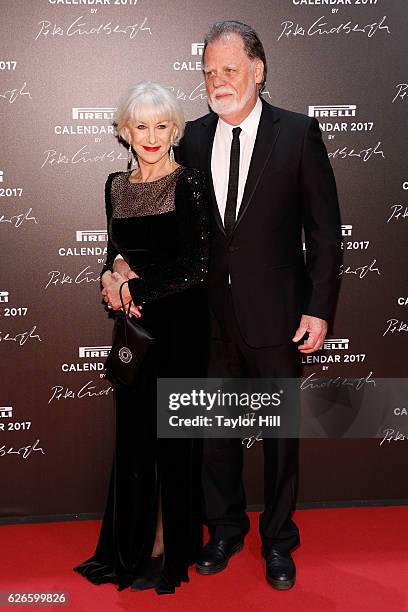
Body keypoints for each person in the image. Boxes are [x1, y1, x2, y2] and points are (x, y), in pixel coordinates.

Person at [112, 21, 342, 590]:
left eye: (230, 69)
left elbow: (326, 232)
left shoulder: (298, 134)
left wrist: (318, 308)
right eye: (209, 71)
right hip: (204, 314)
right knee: (215, 434)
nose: (218, 80)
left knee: (280, 437)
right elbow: (154, 229)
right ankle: (225, 530)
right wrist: (117, 269)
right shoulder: (186, 138)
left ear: (258, 71)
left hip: (278, 314)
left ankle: (279, 542)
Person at [73, 81, 210, 595]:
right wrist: (111, 280)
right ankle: (130, 543)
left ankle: (168, 546)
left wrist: (137, 288)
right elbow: (113, 253)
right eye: (140, 126)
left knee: (172, 439)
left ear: (172, 130)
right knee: (134, 438)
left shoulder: (188, 183)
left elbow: (196, 265)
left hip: (179, 328)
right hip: (134, 327)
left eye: (161, 126)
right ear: (125, 132)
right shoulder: (115, 185)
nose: (150, 136)